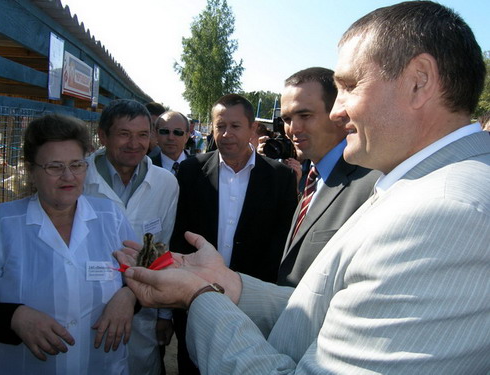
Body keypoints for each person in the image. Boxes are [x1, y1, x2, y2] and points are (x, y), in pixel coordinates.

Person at [120, 2, 490, 373]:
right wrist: (227, 285)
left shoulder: (444, 212)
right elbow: (323, 311)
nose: (336, 110)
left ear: (418, 81)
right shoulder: (427, 188)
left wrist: (198, 297)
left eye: (348, 86)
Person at [0, 114, 138, 374]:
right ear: (31, 170)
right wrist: (14, 317)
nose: (68, 176)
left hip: (101, 366)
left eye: (76, 164)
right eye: (54, 167)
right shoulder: (0, 224)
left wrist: (129, 296)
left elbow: (142, 274)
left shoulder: (110, 216)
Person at [170, 93, 298, 374]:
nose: (226, 134)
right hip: (195, 298)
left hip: (251, 302)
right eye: (220, 126)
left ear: (253, 129)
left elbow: (281, 242)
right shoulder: (191, 171)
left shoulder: (280, 177)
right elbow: (179, 231)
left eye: (235, 126)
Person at [83, 99, 178, 375]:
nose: (134, 144)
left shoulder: (166, 183)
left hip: (143, 311)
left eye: (143, 135)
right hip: (86, 305)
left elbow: (165, 248)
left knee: (140, 364)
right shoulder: (79, 176)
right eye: (124, 134)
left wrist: (164, 314)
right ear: (102, 135)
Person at [276, 67, 381, 286]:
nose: (293, 128)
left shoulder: (374, 184)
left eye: (305, 115)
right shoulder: (312, 178)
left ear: (337, 114)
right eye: (287, 118)